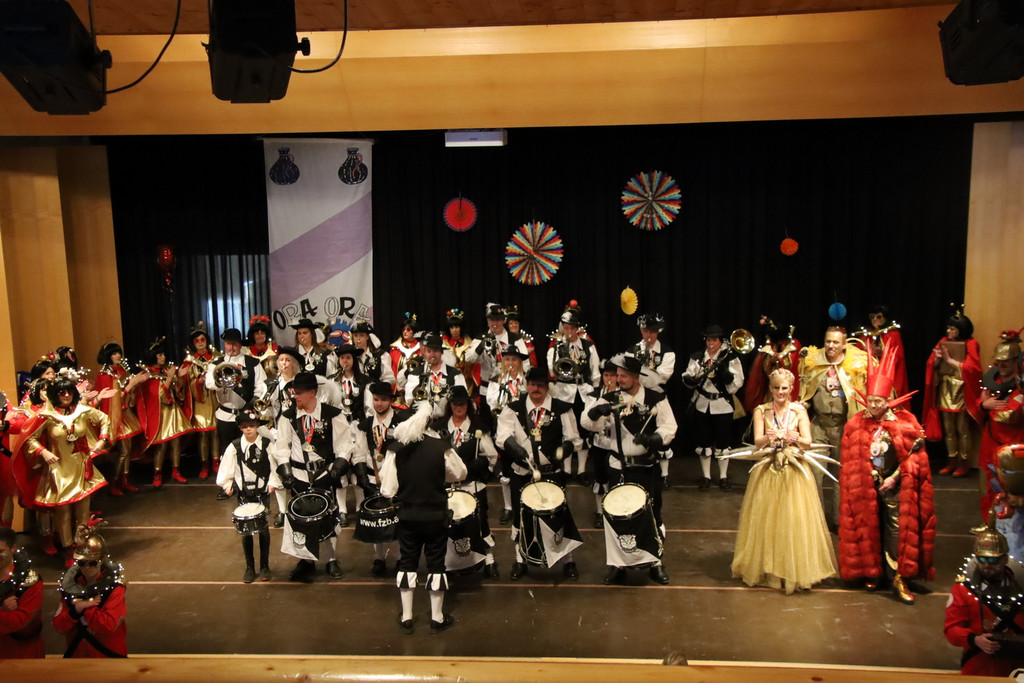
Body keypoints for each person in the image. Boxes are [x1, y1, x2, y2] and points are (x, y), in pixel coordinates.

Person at [838, 342, 935, 605]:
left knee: (897, 532)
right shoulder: (856, 423)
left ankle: (899, 576)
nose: (873, 406)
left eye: (878, 401)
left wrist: (895, 478)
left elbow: (915, 457)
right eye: (870, 401)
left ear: (889, 399)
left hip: (896, 487)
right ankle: (873, 572)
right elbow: (848, 461)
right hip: (867, 487)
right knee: (869, 527)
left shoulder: (905, 423)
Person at [729, 368, 837, 594]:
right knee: (768, 520)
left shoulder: (799, 410)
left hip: (794, 473)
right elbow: (757, 441)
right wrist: (768, 438)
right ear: (770, 388)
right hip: (769, 471)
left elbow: (807, 441)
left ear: (791, 389)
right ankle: (770, 570)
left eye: (784, 388)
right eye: (776, 388)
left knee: (794, 520)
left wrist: (797, 439)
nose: (780, 392)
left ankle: (795, 569)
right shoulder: (761, 411)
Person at [582, 354, 676, 585]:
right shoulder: (610, 398)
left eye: (623, 376)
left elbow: (669, 427)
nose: (618, 379)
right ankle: (618, 565)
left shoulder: (655, 398)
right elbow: (587, 422)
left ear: (636, 377)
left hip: (647, 467)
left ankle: (655, 562)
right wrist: (596, 412)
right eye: (617, 375)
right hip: (619, 467)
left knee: (652, 514)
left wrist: (654, 439)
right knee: (618, 515)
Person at [379, 401, 467, 634]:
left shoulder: (395, 449)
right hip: (436, 515)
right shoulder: (441, 447)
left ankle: (407, 616)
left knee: (407, 562)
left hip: (408, 516)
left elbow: (387, 489)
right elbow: (460, 473)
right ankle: (437, 618)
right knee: (436, 563)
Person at [496, 367, 584, 581]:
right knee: (520, 516)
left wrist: (564, 449)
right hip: (522, 472)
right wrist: (513, 447)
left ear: (547, 387)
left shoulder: (562, 409)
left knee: (558, 516)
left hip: (551, 472)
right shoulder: (513, 409)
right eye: (533, 385)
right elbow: (501, 436)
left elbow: (574, 439)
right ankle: (520, 559)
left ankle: (568, 560)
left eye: (541, 385)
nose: (536, 389)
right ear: (527, 385)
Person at [20, 379, 111, 566]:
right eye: (62, 392)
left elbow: (104, 419)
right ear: (55, 394)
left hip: (82, 466)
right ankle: (68, 547)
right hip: (59, 470)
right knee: (63, 513)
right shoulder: (46, 415)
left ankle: (83, 546)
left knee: (83, 512)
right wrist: (43, 452)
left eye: (70, 391)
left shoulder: (82, 411)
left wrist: (102, 440)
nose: (67, 395)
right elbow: (30, 438)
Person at [273, 372, 351, 582]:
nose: (295, 397)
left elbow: (345, 444)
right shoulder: (288, 417)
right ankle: (305, 560)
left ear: (312, 392)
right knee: (300, 519)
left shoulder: (333, 414)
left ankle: (331, 559)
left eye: (299, 393)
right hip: (298, 475)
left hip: (323, 473)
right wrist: (285, 471)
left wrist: (338, 467)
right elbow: (282, 447)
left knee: (329, 517)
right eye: (294, 392)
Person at [798, 326, 867, 528]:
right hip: (818, 426)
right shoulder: (815, 364)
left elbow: (861, 398)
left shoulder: (853, 367)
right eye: (828, 341)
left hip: (843, 427)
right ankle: (817, 521)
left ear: (844, 344)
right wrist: (801, 406)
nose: (831, 345)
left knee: (841, 476)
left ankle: (839, 521)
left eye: (835, 342)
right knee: (814, 473)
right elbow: (806, 394)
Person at [944, 525, 1024, 676]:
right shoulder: (963, 589)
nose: (987, 565)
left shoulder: (1021, 587)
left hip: (1018, 669)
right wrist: (975, 640)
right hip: (979, 668)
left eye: (993, 560)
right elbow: (952, 629)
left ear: (1005, 559)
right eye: (982, 559)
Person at [438, 386, 499, 577]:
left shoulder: (478, 428)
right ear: (449, 405)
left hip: (472, 486)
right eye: (455, 404)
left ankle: (489, 560)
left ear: (468, 405)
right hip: (446, 488)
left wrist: (479, 467)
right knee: (447, 526)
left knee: (480, 523)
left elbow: (492, 456)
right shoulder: (438, 428)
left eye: (462, 404)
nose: (459, 407)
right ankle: (448, 564)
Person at [350, 381, 409, 576]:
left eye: (383, 399)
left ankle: (401, 557)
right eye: (376, 399)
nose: (379, 404)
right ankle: (379, 557)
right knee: (375, 519)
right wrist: (361, 476)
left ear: (391, 400)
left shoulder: (401, 423)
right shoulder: (364, 425)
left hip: (395, 478)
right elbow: (359, 451)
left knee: (397, 518)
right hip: (371, 477)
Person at [681, 325, 744, 490]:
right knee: (704, 441)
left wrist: (726, 375)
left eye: (714, 340)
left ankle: (723, 477)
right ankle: (706, 476)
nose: (711, 343)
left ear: (720, 341)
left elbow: (737, 382)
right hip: (703, 404)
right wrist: (689, 379)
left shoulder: (729, 358)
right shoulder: (698, 357)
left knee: (723, 442)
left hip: (722, 405)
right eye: (709, 339)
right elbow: (689, 374)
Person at [922, 308, 982, 478]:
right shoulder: (943, 341)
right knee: (948, 428)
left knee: (962, 428)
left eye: (952, 328)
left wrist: (951, 361)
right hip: (945, 387)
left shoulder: (971, 343)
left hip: (961, 389)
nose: (948, 331)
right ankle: (951, 460)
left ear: (961, 330)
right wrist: (937, 360)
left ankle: (964, 462)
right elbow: (931, 364)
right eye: (948, 328)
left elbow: (973, 368)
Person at [52, 522, 127, 658]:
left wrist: (87, 608)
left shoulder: (115, 588)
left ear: (101, 560)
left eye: (92, 563)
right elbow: (58, 625)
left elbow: (108, 626)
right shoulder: (70, 586)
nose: (87, 568)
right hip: (78, 655)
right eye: (82, 563)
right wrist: (75, 611)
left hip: (107, 657)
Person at [217, 408, 274, 583]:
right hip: (244, 494)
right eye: (245, 426)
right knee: (246, 531)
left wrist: (273, 482)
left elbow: (275, 465)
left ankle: (264, 566)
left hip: (262, 493)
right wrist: (227, 485)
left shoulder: (266, 444)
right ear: (240, 428)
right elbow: (226, 468)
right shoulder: (234, 447)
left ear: (257, 426)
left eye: (252, 425)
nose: (249, 429)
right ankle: (250, 566)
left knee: (263, 529)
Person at [206, 328, 267, 490]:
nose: (231, 347)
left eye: (234, 344)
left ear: (240, 345)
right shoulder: (216, 364)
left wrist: (253, 402)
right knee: (226, 452)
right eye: (228, 344)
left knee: (249, 449)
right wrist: (223, 380)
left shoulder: (253, 362)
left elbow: (262, 386)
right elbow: (209, 384)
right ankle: (227, 485)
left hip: (246, 414)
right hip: (225, 415)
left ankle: (249, 484)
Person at [547, 301, 600, 482]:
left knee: (583, 430)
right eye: (566, 328)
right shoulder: (556, 347)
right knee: (567, 430)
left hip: (583, 392)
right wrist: (560, 353)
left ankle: (582, 470)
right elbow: (552, 370)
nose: (568, 332)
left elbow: (595, 371)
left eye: (571, 328)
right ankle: (567, 470)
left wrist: (595, 391)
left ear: (577, 328)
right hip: (564, 392)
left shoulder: (588, 346)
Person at [978, 330, 1024, 519]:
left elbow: (1010, 415)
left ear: (1015, 361)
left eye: (1007, 361)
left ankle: (1008, 526)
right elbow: (977, 403)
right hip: (989, 441)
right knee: (986, 482)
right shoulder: (992, 382)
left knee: (1009, 485)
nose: (1002, 365)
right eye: (999, 361)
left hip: (1011, 444)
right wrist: (983, 404)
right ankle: (988, 521)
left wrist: (989, 407)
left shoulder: (1020, 387)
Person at [138, 337, 193, 488]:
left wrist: (178, 378)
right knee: (161, 445)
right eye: (160, 355)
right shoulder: (148, 374)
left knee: (176, 442)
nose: (163, 357)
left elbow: (178, 391)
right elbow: (159, 395)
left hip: (173, 411)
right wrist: (169, 378)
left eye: (163, 354)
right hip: (160, 414)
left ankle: (176, 470)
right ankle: (157, 473)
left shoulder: (165, 371)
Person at [629, 313, 677, 488]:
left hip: (657, 395)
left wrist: (641, 370)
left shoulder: (667, 352)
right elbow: (628, 373)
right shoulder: (633, 350)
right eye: (645, 331)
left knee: (662, 430)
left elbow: (663, 376)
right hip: (638, 396)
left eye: (652, 332)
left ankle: (664, 474)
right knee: (640, 428)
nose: (648, 335)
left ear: (658, 332)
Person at [94, 342, 147, 495]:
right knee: (123, 451)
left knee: (127, 450)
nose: (118, 356)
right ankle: (114, 482)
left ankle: (123, 481)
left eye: (118, 353)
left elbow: (127, 395)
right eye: (114, 353)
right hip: (114, 416)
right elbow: (112, 399)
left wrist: (135, 385)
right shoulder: (105, 374)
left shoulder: (121, 371)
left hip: (125, 414)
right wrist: (131, 385)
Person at [464, 303, 531, 422]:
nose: (495, 323)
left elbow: (526, 365)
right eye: (492, 320)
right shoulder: (481, 338)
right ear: (487, 321)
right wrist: (481, 346)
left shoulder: (514, 339)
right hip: (486, 390)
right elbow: (468, 358)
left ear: (504, 320)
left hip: (511, 390)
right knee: (487, 423)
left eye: (498, 320)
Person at [486, 349, 529, 525]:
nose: (510, 363)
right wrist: (505, 396)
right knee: (505, 469)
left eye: (514, 360)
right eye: (507, 360)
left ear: (520, 363)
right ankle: (508, 506)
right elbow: (491, 403)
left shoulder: (526, 380)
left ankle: (526, 502)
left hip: (524, 427)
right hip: (504, 427)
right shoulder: (496, 381)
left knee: (524, 464)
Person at [180, 323, 221, 480]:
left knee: (215, 432)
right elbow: (184, 382)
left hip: (215, 399)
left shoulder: (216, 358)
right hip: (200, 400)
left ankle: (216, 461)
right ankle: (204, 463)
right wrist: (198, 382)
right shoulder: (189, 361)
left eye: (202, 339)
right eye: (196, 341)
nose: (200, 343)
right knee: (203, 434)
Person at [583, 359, 620, 528]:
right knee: (600, 477)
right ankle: (600, 511)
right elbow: (587, 419)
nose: (609, 379)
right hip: (600, 443)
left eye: (613, 375)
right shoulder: (594, 395)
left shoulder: (623, 395)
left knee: (617, 478)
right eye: (606, 375)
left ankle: (616, 511)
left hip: (618, 443)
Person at [0, 527, 44, 658]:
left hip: (21, 655)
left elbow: (19, 621)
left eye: (0, 551)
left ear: (13, 548)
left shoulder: (29, 581)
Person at [743, 316, 801, 414]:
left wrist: (781, 360)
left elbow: (793, 366)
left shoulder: (794, 345)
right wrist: (771, 361)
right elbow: (765, 369)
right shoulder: (769, 346)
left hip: (788, 390)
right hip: (771, 391)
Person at [404, 332, 468, 418]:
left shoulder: (455, 374)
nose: (432, 355)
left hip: (447, 420)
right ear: (424, 352)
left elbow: (462, 399)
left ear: (442, 352)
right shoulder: (415, 374)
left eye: (436, 351)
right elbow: (409, 400)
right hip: (422, 420)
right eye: (429, 351)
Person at [857, 305, 908, 398]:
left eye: (879, 317)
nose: (875, 319)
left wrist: (883, 354)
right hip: (868, 376)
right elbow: (857, 353)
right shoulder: (865, 335)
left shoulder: (893, 334)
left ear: (885, 318)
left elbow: (897, 356)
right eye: (872, 317)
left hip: (887, 376)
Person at [441, 308, 478, 393]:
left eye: (457, 327)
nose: (454, 330)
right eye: (452, 327)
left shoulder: (469, 342)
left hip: (467, 379)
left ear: (461, 328)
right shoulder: (443, 344)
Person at [349, 319, 396, 386]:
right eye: (356, 336)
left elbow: (390, 378)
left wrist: (378, 387)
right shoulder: (351, 356)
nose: (358, 339)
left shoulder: (381, 355)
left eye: (362, 335)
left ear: (367, 337)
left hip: (376, 391)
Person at [389, 312, 423, 392]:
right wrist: (396, 385)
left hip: (415, 388)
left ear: (414, 331)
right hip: (398, 389)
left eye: (408, 329)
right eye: (403, 329)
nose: (405, 332)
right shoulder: (395, 348)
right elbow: (391, 370)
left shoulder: (421, 348)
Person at [505, 304, 538, 369]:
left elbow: (534, 363)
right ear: (507, 326)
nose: (514, 325)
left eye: (516, 323)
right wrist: (524, 351)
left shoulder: (526, 340)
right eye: (511, 323)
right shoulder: (504, 340)